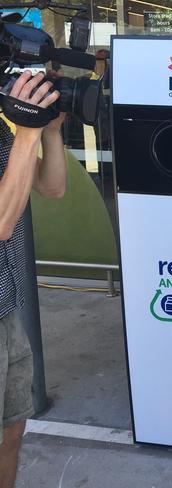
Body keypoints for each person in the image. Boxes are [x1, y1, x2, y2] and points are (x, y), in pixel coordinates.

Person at [0, 70, 67, 488]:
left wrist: (49, 131)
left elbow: (53, 186)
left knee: (11, 430)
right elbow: (3, 223)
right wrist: (27, 131)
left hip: (5, 309)